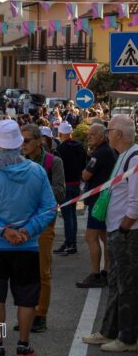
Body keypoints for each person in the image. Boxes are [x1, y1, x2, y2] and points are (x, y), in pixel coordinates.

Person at [0, 119, 57, 356]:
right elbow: (49, 208)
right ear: (20, 144)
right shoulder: (37, 172)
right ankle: (23, 344)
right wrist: (28, 230)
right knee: (27, 299)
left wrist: (3, 230)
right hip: (27, 246)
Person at [82, 115, 138, 352]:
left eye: (109, 130)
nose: (107, 134)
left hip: (127, 233)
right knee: (116, 284)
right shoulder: (123, 155)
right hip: (118, 230)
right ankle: (109, 331)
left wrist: (124, 228)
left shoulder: (134, 158)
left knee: (127, 287)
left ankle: (128, 338)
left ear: (118, 134)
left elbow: (136, 202)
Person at [20, 124, 66, 333]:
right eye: (20, 141)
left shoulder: (53, 162)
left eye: (26, 140)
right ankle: (27, 313)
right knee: (24, 272)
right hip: (22, 222)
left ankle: (41, 314)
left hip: (44, 223)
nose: (23, 145)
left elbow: (60, 193)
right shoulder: (19, 161)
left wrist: (34, 189)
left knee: (42, 271)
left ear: (39, 141)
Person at [75, 124, 117, 289]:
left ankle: (96, 275)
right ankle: (106, 272)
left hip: (98, 202)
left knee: (91, 237)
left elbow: (85, 175)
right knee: (104, 237)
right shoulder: (108, 150)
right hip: (105, 199)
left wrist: (86, 165)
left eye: (92, 134)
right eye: (88, 134)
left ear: (102, 136)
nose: (89, 137)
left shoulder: (100, 153)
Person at [54, 122, 86, 256]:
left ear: (61, 134)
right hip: (76, 184)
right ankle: (71, 242)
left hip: (65, 185)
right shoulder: (80, 147)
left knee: (68, 216)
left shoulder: (60, 150)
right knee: (72, 215)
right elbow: (84, 164)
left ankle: (70, 244)